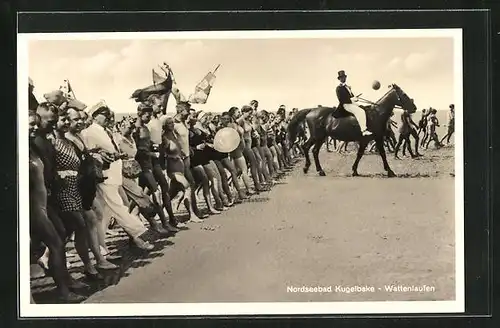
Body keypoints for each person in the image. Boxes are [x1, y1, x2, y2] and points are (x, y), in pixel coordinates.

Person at [29, 110, 86, 303]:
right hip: (34, 206)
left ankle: (64, 283)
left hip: (45, 202)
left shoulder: (35, 145)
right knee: (56, 242)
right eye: (31, 124)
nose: (35, 127)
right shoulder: (32, 144)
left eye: (36, 123)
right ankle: (62, 290)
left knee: (59, 237)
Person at [81, 105, 153, 251]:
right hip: (104, 177)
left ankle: (102, 248)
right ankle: (138, 231)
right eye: (104, 114)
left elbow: (110, 150)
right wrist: (101, 154)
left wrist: (116, 155)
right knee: (117, 206)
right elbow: (88, 153)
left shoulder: (105, 131)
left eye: (109, 115)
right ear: (95, 116)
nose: (108, 118)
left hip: (114, 176)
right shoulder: (89, 132)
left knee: (104, 215)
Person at [335, 70, 372, 136]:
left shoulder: (347, 87)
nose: (343, 78)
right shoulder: (338, 88)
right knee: (361, 111)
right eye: (342, 77)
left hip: (351, 104)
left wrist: (355, 98)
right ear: (339, 79)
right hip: (345, 105)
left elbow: (351, 97)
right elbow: (341, 100)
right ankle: (364, 130)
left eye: (344, 77)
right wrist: (352, 99)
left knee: (364, 108)